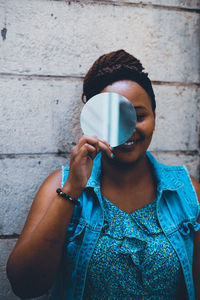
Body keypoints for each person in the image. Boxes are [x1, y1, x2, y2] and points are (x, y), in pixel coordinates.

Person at [7, 50, 200, 300]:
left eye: (139, 116)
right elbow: (25, 286)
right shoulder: (60, 185)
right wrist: (72, 189)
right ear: (92, 121)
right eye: (114, 118)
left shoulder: (187, 191)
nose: (128, 129)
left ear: (154, 117)